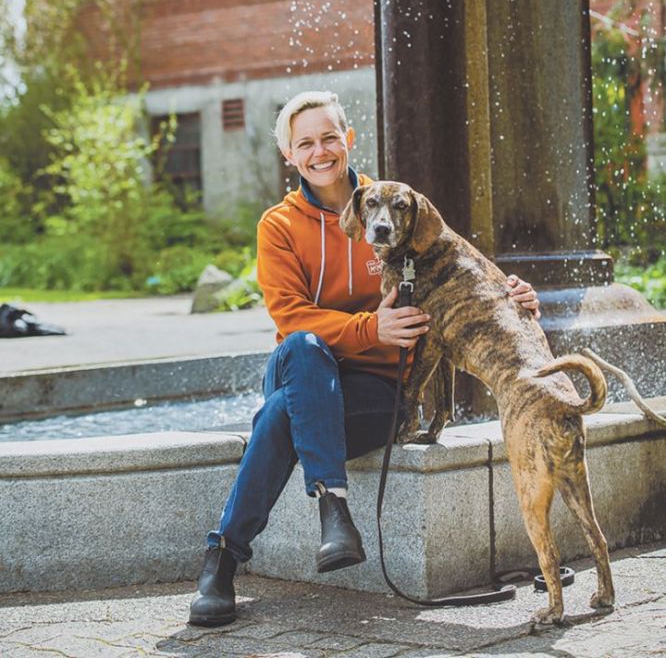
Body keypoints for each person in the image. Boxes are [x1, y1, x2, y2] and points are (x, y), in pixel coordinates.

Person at [189, 90, 540, 627]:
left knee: (282, 415)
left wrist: (511, 291)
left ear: (348, 140)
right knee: (306, 350)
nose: (320, 151)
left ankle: (223, 560)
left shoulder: (393, 204)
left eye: (330, 137)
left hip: (374, 393)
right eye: (305, 143)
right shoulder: (278, 227)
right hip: (302, 365)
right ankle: (334, 509)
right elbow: (291, 319)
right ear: (289, 155)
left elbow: (459, 259)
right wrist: (372, 328)